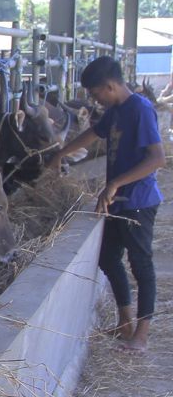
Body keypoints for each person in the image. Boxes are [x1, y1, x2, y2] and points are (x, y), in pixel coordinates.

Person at [47, 55, 164, 352]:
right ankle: (125, 321)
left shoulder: (140, 109)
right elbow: (93, 134)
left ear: (109, 85)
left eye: (94, 92)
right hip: (117, 201)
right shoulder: (117, 110)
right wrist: (60, 153)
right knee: (108, 258)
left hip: (137, 201)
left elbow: (157, 158)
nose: (92, 98)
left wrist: (114, 183)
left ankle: (142, 334)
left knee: (141, 265)